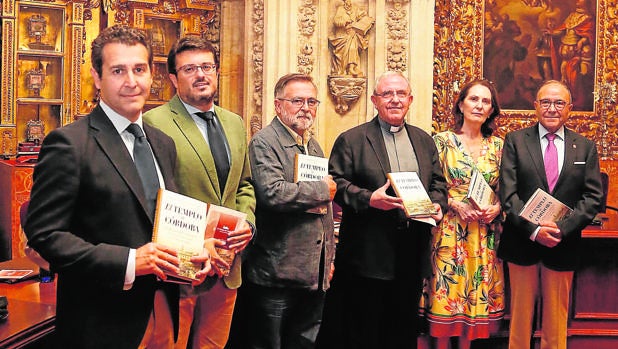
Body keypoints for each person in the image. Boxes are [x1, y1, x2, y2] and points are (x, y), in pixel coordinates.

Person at [24, 25, 212, 349]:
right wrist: (128, 262)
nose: (131, 81)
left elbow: (163, 219)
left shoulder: (163, 143)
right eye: (118, 71)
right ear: (97, 78)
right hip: (102, 322)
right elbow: (45, 235)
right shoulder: (69, 143)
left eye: (139, 69)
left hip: (165, 311)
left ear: (151, 75)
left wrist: (195, 251)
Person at [143, 36, 256, 349]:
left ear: (217, 72)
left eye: (207, 66)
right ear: (173, 78)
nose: (200, 75)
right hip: (182, 267)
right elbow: (153, 196)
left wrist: (247, 223)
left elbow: (244, 184)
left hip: (227, 264)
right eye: (189, 69)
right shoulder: (155, 123)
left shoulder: (234, 122)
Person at [325, 71, 448, 348]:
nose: (395, 100)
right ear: (374, 100)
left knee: (403, 330)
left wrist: (438, 206)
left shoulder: (424, 140)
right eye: (387, 94)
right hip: (368, 254)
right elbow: (336, 185)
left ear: (410, 100)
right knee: (364, 331)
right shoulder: (352, 139)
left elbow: (438, 183)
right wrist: (369, 199)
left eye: (400, 94)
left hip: (411, 250)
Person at [498, 80, 603, 349]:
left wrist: (562, 229)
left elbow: (592, 198)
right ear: (535, 106)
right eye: (545, 102)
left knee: (556, 322)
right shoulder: (515, 141)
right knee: (520, 320)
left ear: (570, 108)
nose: (552, 108)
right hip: (522, 242)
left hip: (563, 243)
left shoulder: (586, 147)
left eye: (559, 103)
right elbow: (508, 195)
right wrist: (534, 230)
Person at [242, 73, 337, 348]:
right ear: (277, 105)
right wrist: (321, 190)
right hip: (277, 273)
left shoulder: (313, 145)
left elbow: (325, 210)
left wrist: (328, 258)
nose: (305, 107)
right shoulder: (264, 142)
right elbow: (272, 192)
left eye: (311, 101)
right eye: (297, 100)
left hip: (312, 274)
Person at [421, 80, 505, 349]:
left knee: (473, 305)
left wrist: (498, 207)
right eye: (474, 99)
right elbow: (428, 186)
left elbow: (508, 189)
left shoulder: (500, 146)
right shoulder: (440, 142)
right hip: (449, 232)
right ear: (461, 104)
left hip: (483, 235)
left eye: (486, 102)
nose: (479, 105)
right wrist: (455, 204)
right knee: (447, 299)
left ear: (492, 109)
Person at [328, 0, 374, 77]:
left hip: (352, 34)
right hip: (342, 35)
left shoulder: (355, 8)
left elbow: (362, 16)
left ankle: (351, 67)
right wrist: (345, 21)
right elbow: (336, 21)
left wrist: (366, 20)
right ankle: (342, 69)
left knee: (353, 48)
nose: (348, 3)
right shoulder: (340, 9)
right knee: (344, 51)